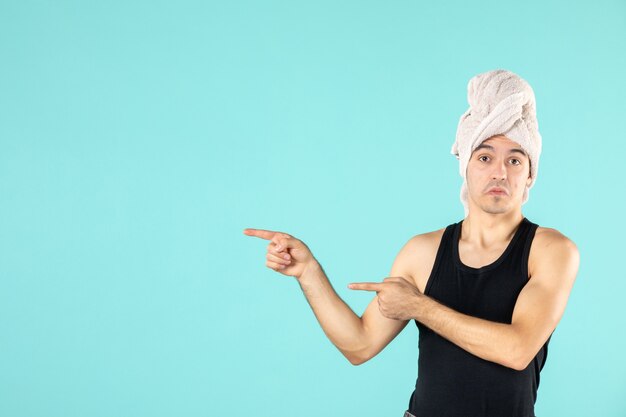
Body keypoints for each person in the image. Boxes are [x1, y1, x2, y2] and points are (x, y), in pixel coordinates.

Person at [243, 69, 579, 417]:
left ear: (529, 175)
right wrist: (308, 272)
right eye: (484, 157)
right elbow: (359, 345)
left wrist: (419, 306)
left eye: (514, 159)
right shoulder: (423, 252)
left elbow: (518, 349)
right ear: (465, 165)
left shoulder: (551, 251)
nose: (499, 172)